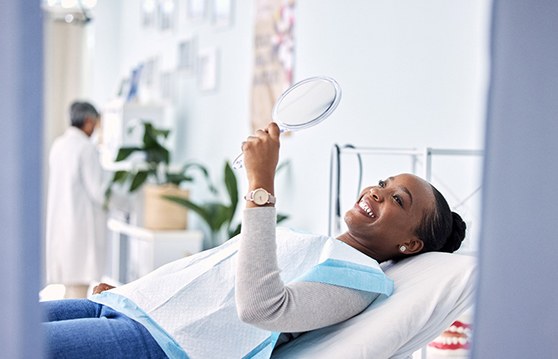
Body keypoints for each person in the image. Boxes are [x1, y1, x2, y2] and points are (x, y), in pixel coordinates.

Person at [41, 122, 466, 358]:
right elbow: (216, 273)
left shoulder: (360, 280)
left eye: (397, 199)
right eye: (382, 183)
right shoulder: (314, 240)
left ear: (410, 245)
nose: (376, 191)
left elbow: (261, 308)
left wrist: (261, 183)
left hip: (160, 345)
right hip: (128, 307)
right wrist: (141, 293)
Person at [45, 101, 107, 299]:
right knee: (78, 294)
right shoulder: (86, 148)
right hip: (80, 227)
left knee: (69, 290)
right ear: (89, 121)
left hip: (61, 225)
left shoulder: (59, 145)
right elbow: (99, 191)